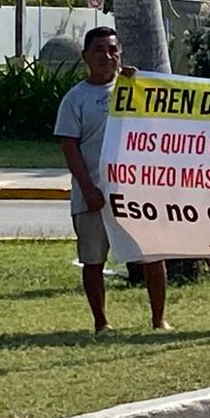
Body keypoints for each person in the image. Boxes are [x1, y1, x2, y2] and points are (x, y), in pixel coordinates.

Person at [54, 27, 169, 333]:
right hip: (92, 194)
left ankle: (159, 320)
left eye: (113, 50)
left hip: (134, 193)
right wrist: (88, 188)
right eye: (99, 50)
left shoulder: (135, 89)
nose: (107, 56)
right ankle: (101, 322)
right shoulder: (75, 99)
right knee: (93, 261)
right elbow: (69, 146)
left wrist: (141, 82)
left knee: (152, 256)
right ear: (85, 57)